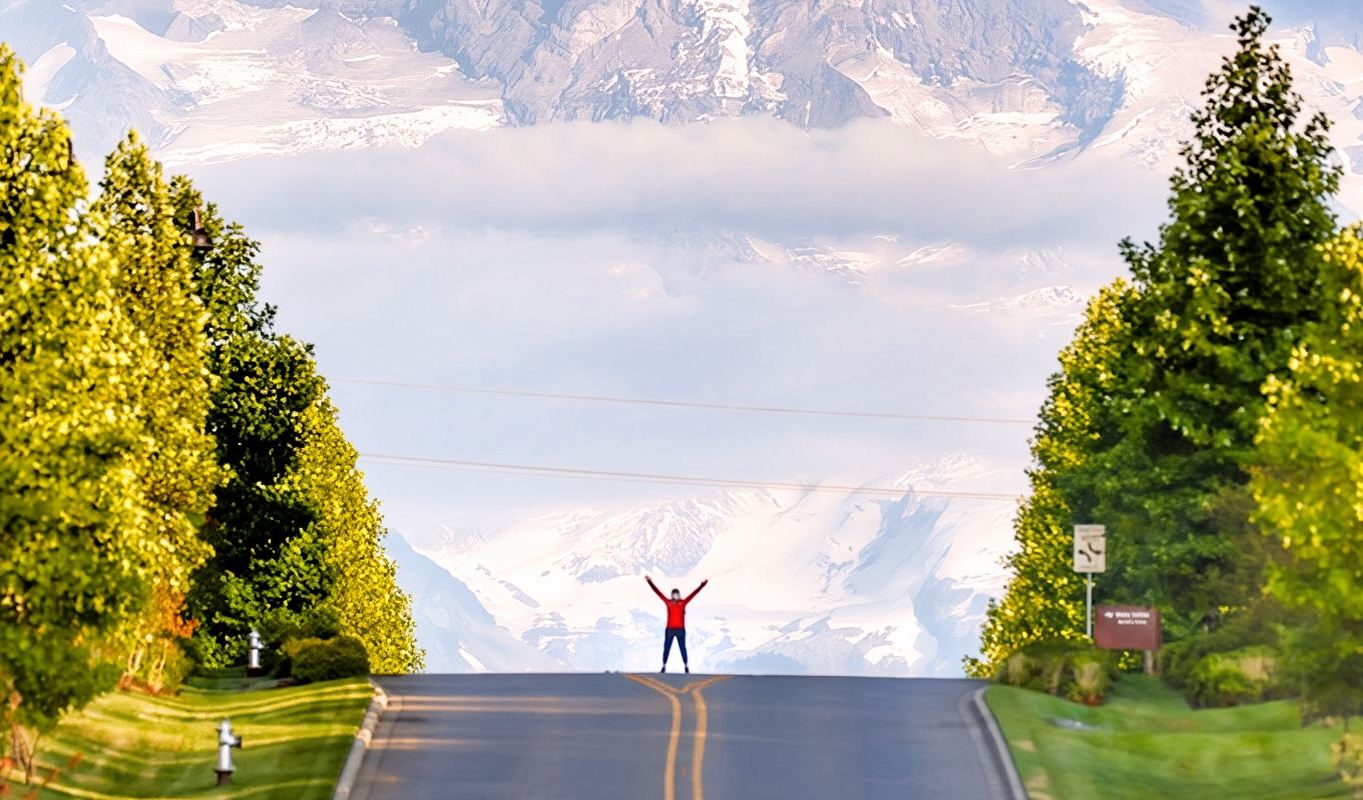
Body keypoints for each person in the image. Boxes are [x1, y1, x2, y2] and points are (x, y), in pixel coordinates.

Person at [646, 575, 707, 673]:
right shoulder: (668, 602)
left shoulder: (683, 602)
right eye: (674, 594)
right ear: (672, 595)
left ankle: (686, 666)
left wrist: (702, 585)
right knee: (667, 648)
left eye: (677, 594)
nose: (676, 596)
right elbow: (658, 592)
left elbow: (693, 594)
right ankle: (664, 665)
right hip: (670, 629)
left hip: (680, 630)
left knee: (682, 648)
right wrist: (649, 582)